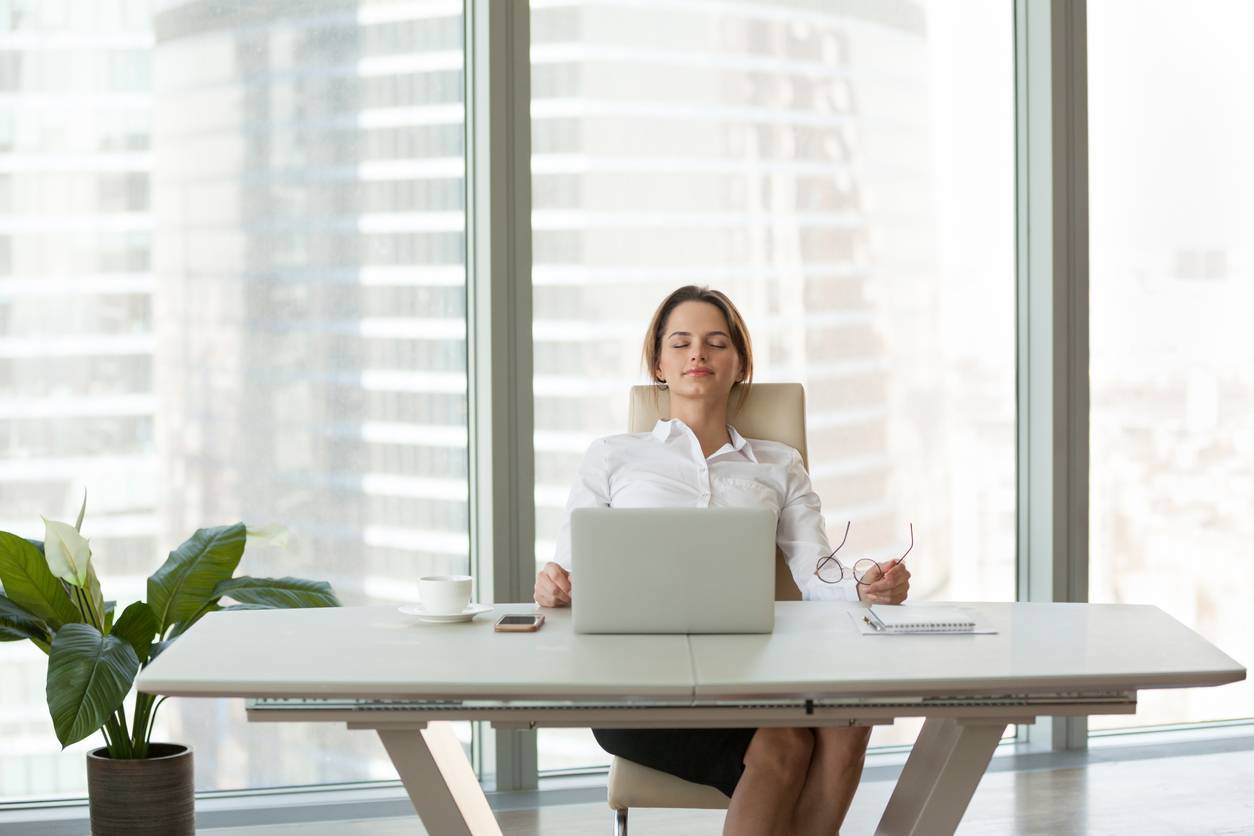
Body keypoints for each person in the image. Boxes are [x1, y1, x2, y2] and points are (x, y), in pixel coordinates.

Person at [534, 285, 911, 835]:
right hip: (636, 681)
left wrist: (865, 587)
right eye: (681, 343)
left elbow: (816, 572)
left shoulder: (778, 464)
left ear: (739, 364)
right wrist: (554, 588)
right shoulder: (612, 456)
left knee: (849, 724)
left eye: (715, 344)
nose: (698, 356)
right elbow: (569, 575)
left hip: (751, 675)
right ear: (658, 363)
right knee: (784, 744)